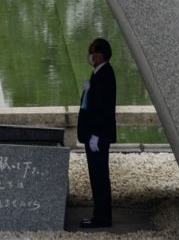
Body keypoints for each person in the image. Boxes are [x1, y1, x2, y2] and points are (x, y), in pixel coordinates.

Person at [77, 38, 117, 228]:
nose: (90, 56)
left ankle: (102, 218)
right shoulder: (98, 73)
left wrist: (96, 135)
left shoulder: (106, 74)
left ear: (101, 55)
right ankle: (99, 215)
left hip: (97, 137)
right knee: (96, 176)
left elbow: (103, 109)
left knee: (100, 176)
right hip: (93, 134)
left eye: (93, 52)